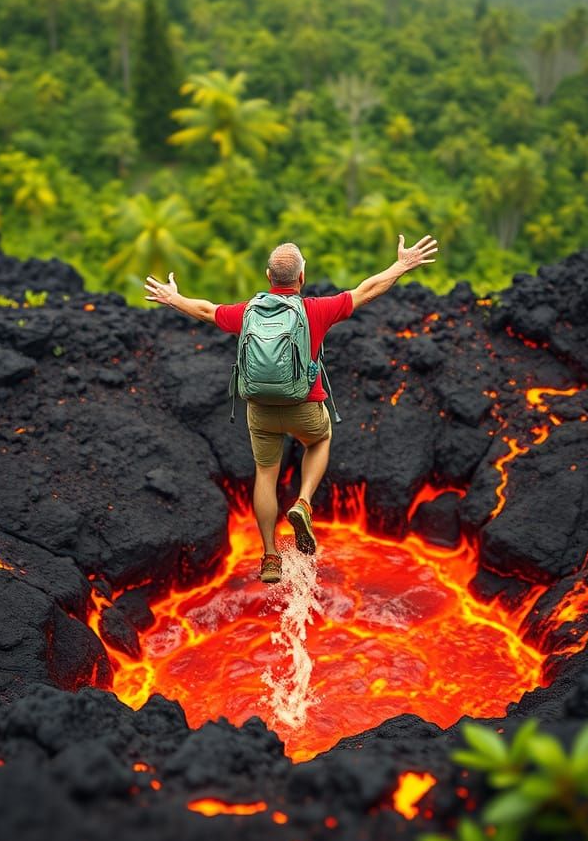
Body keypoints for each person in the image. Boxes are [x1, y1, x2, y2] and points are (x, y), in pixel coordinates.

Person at [145, 234, 438, 583]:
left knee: (265, 475)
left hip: (261, 410)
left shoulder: (246, 313)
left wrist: (173, 297)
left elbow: (206, 310)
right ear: (302, 277)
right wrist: (401, 265)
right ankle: (303, 502)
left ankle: (270, 556)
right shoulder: (316, 309)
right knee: (319, 439)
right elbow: (367, 289)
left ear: (269, 276)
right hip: (304, 406)